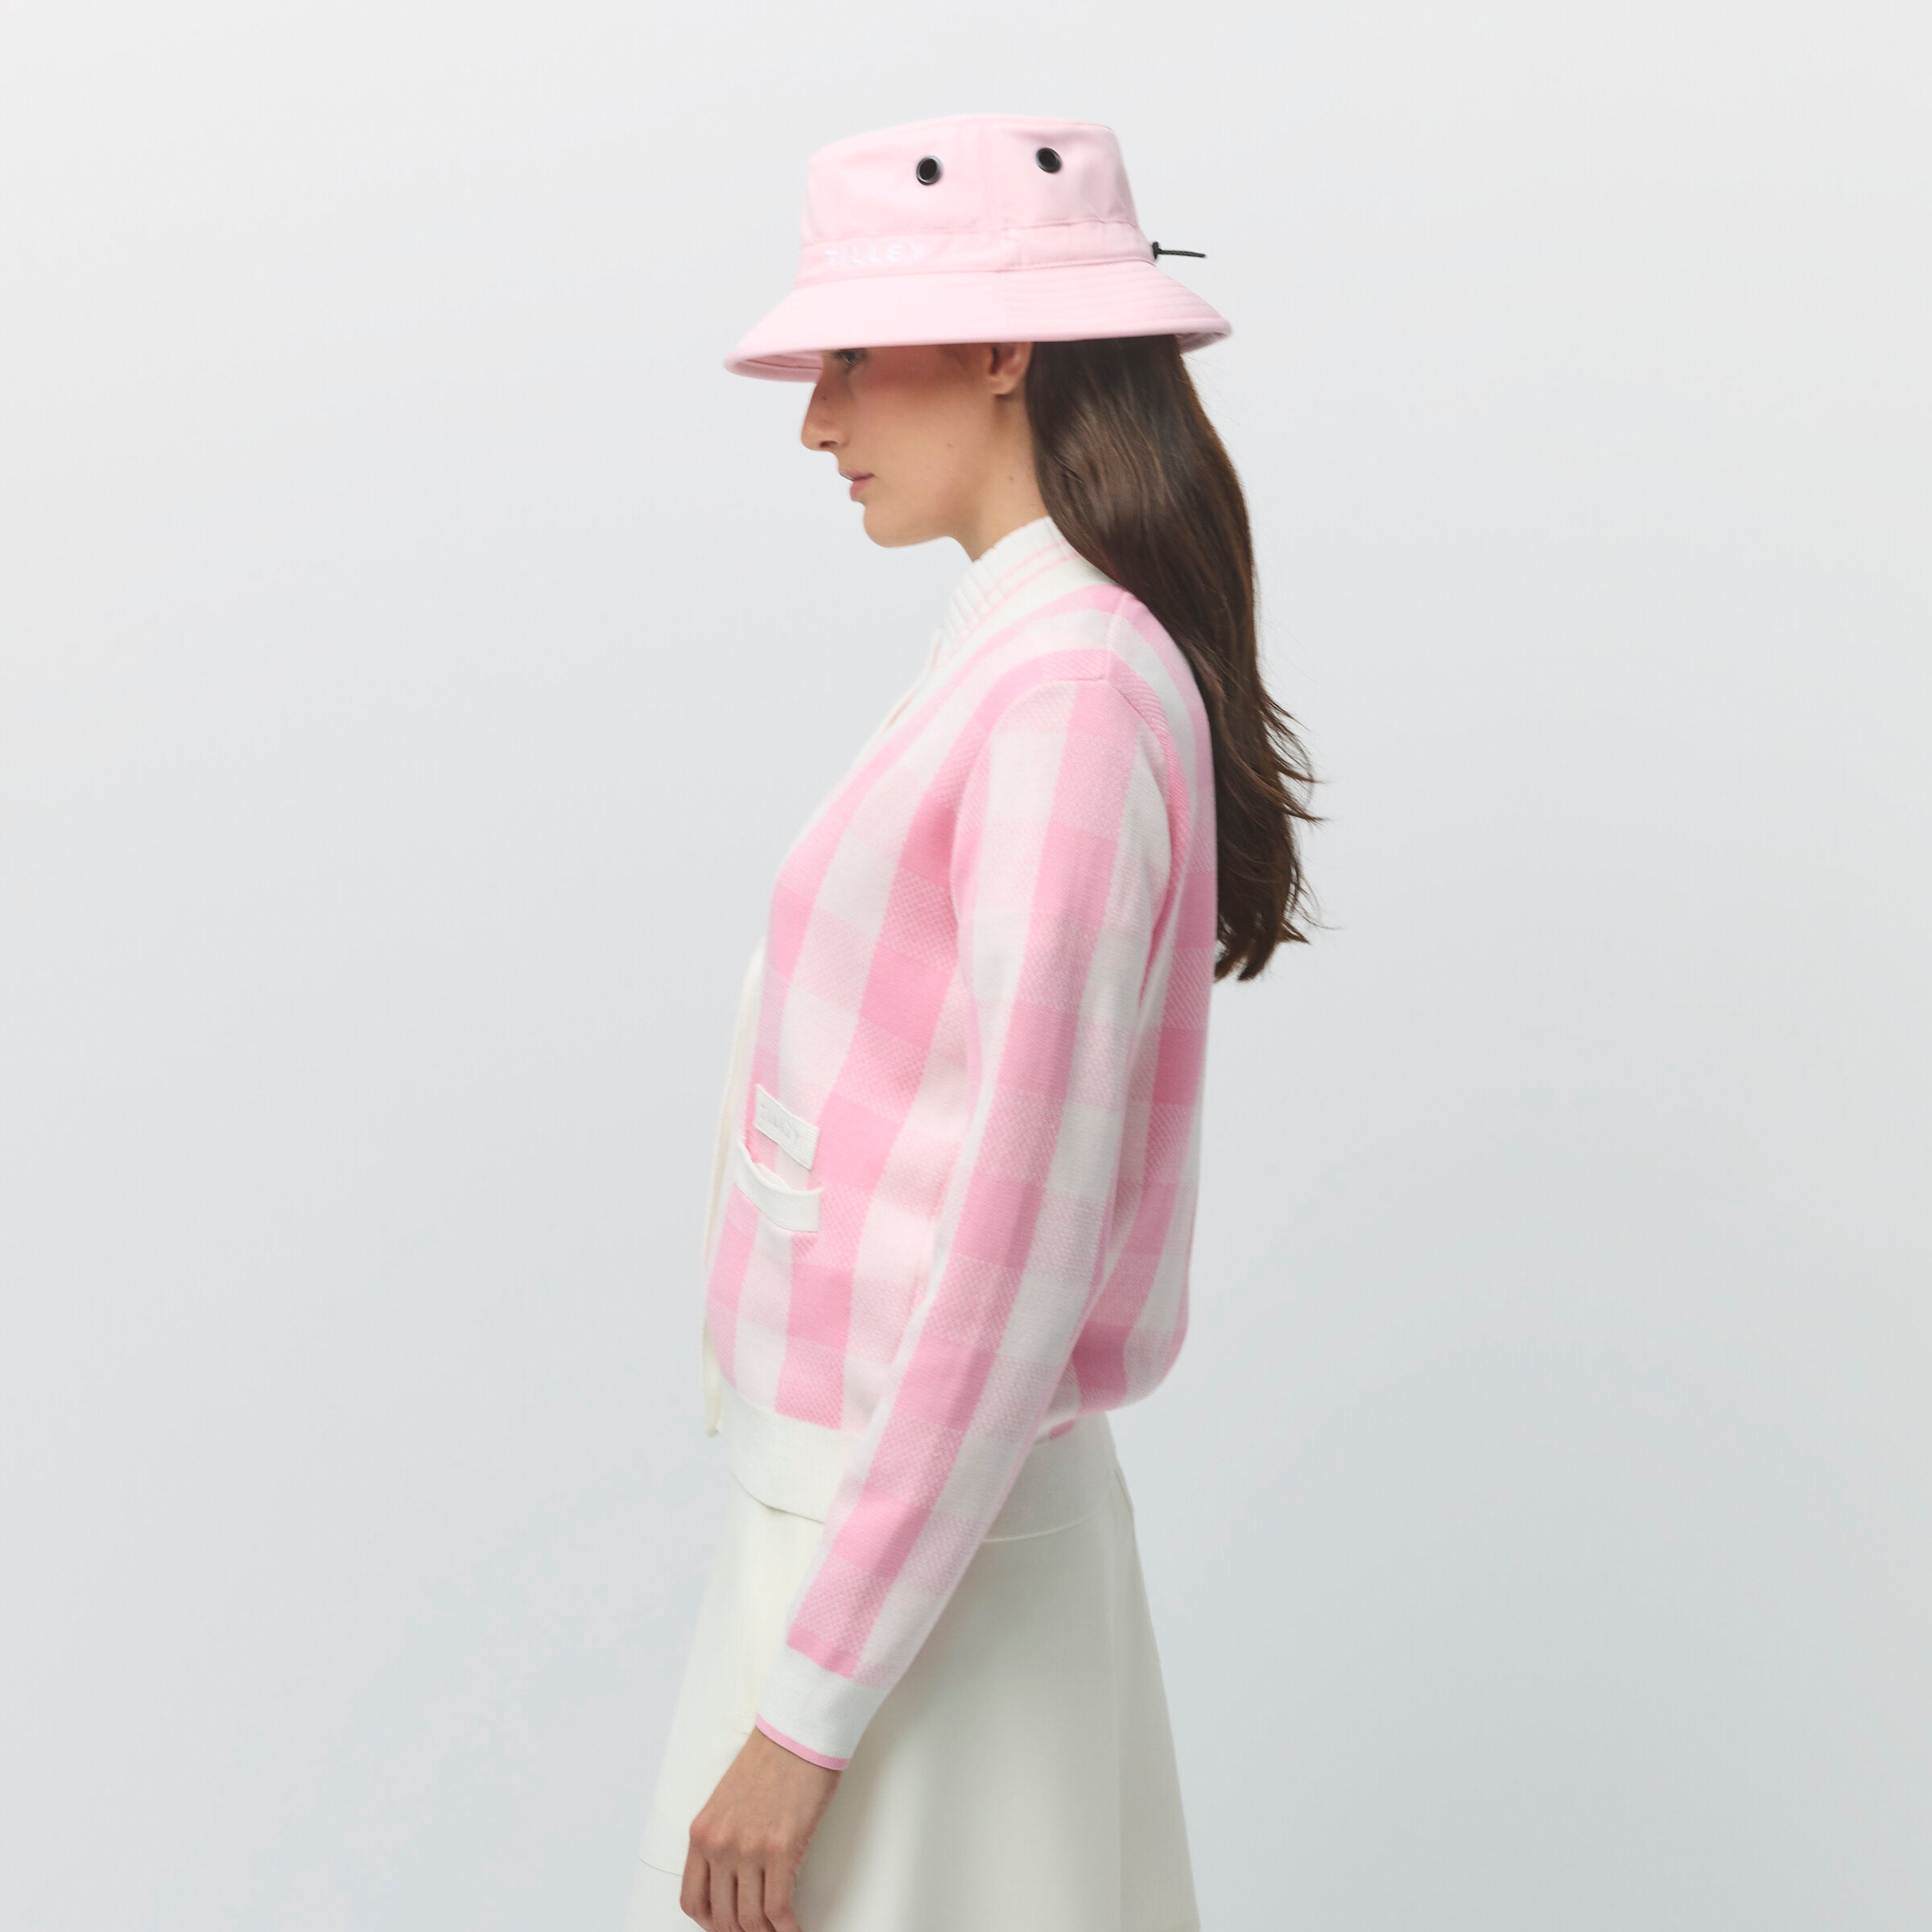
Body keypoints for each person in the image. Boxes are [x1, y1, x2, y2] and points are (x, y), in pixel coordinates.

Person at [625, 113, 1321, 1932]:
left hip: (911, 1589)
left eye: (853, 358)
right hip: (891, 1551)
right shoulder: (1024, 662)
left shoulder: (1067, 700)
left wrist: (808, 1717)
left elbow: (1013, 1253)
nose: (818, 421)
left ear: (1006, 348)